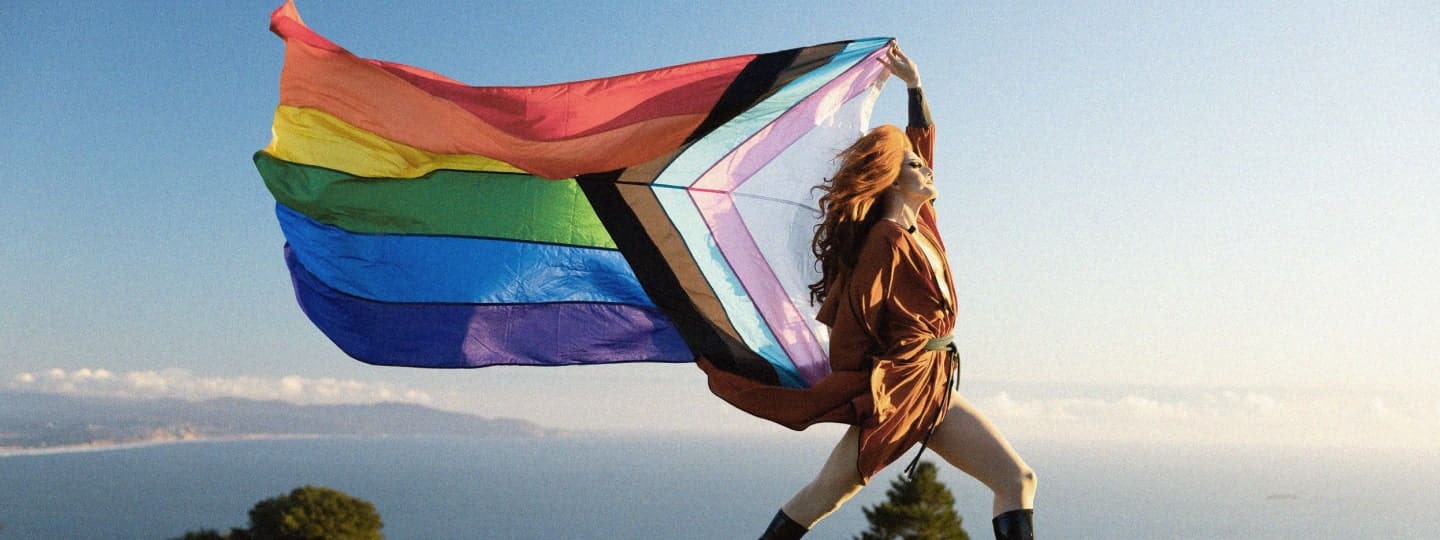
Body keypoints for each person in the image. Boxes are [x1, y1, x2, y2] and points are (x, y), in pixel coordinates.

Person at [697, 45, 1037, 540]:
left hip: (933, 382)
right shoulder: (886, 239)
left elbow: (922, 146)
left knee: (1017, 478)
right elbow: (855, 323)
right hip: (896, 390)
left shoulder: (923, 226)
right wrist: (860, 389)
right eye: (916, 167)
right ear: (894, 180)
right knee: (824, 495)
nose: (927, 169)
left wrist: (915, 87)